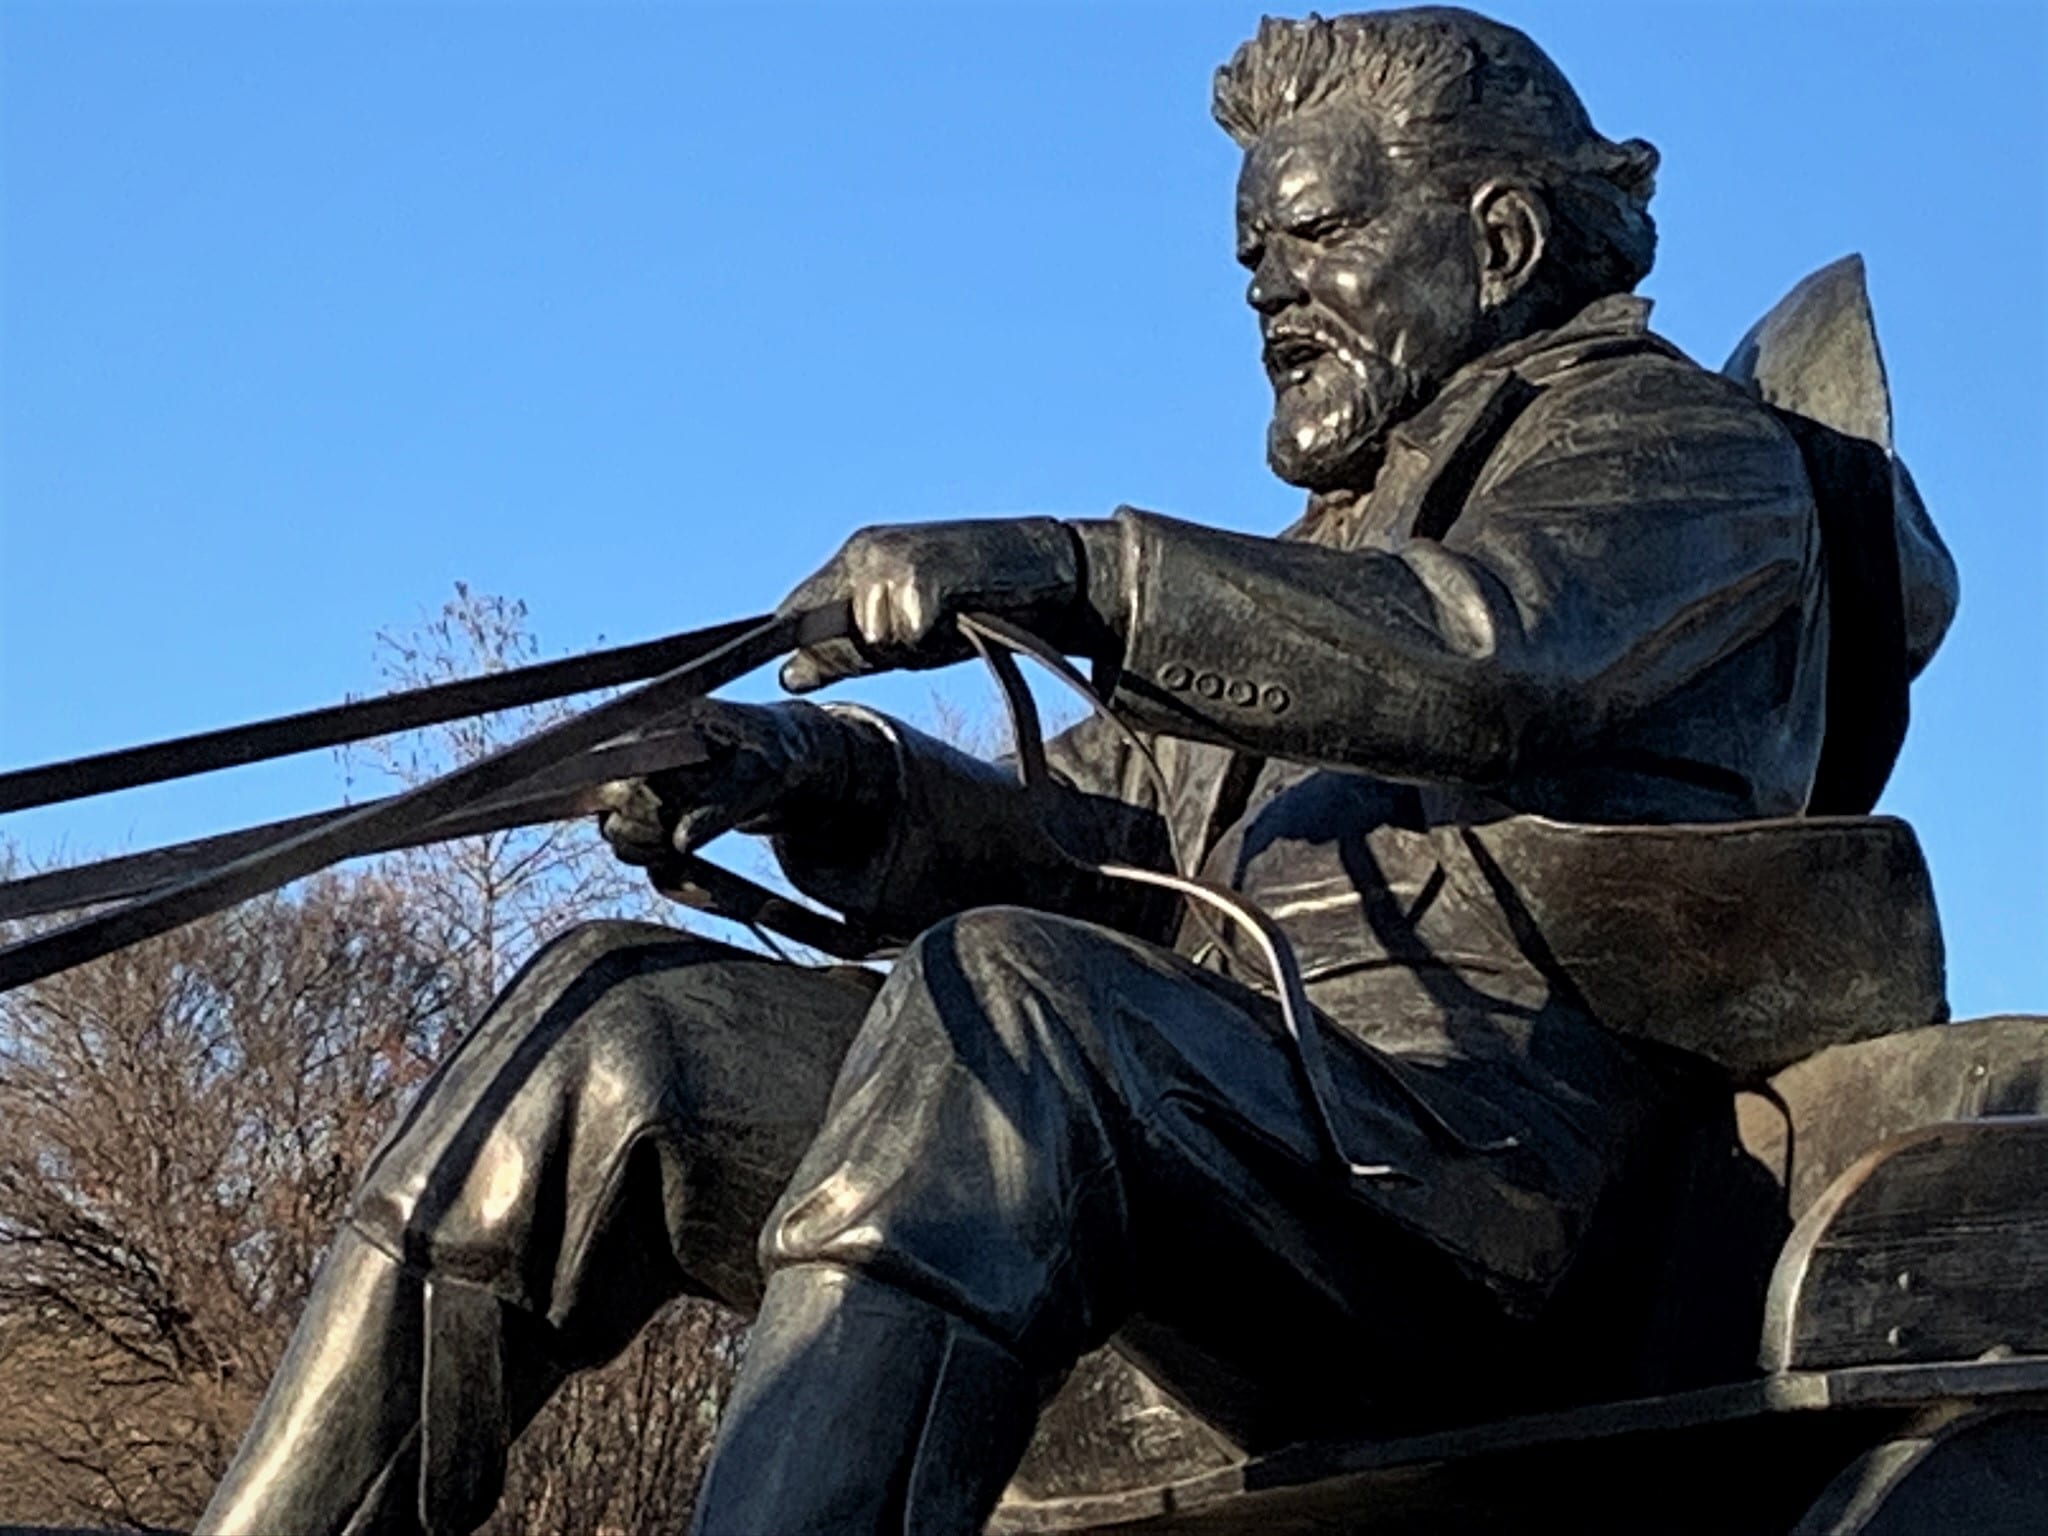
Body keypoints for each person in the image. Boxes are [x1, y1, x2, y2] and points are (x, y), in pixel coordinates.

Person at [196, 9, 1955, 1535]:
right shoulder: (1318, 555)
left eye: (1322, 230)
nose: (1271, 282)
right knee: (623, 1017)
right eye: (1251, 253)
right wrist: (817, 775)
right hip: (1237, 1141)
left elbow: (1482, 649)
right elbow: (1093, 833)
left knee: (1015, 1007)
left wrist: (1078, 568)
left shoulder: (1675, 457)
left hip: (1467, 1186)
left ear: (1498, 241)